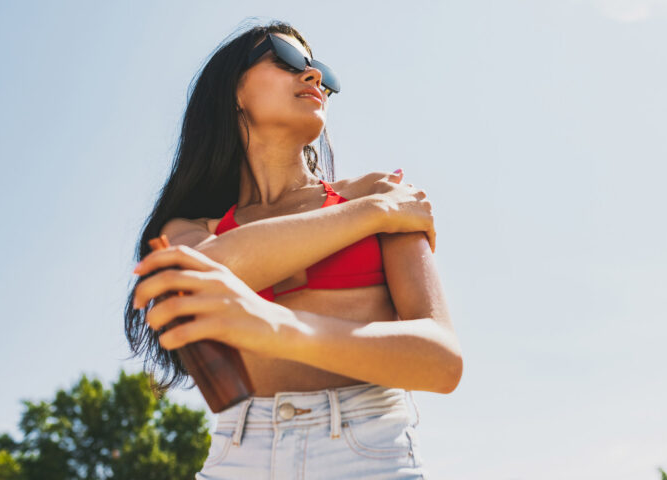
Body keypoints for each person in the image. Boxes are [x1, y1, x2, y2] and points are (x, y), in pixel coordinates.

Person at [125, 19, 463, 479]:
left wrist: (278, 328)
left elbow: (442, 361)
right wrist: (373, 214)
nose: (314, 75)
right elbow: (199, 276)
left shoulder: (378, 191)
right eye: (285, 59)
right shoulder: (380, 204)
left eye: (320, 70)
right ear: (233, 91)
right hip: (238, 454)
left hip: (368, 450)